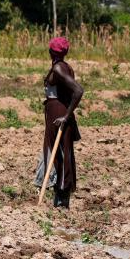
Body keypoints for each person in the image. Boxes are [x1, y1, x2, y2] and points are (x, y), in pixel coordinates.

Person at [36, 37, 84, 209]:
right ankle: (60, 199)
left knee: (61, 153)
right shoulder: (65, 66)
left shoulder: (58, 68)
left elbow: (78, 90)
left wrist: (65, 116)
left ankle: (62, 200)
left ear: (50, 52)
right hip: (56, 113)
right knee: (59, 153)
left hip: (58, 114)